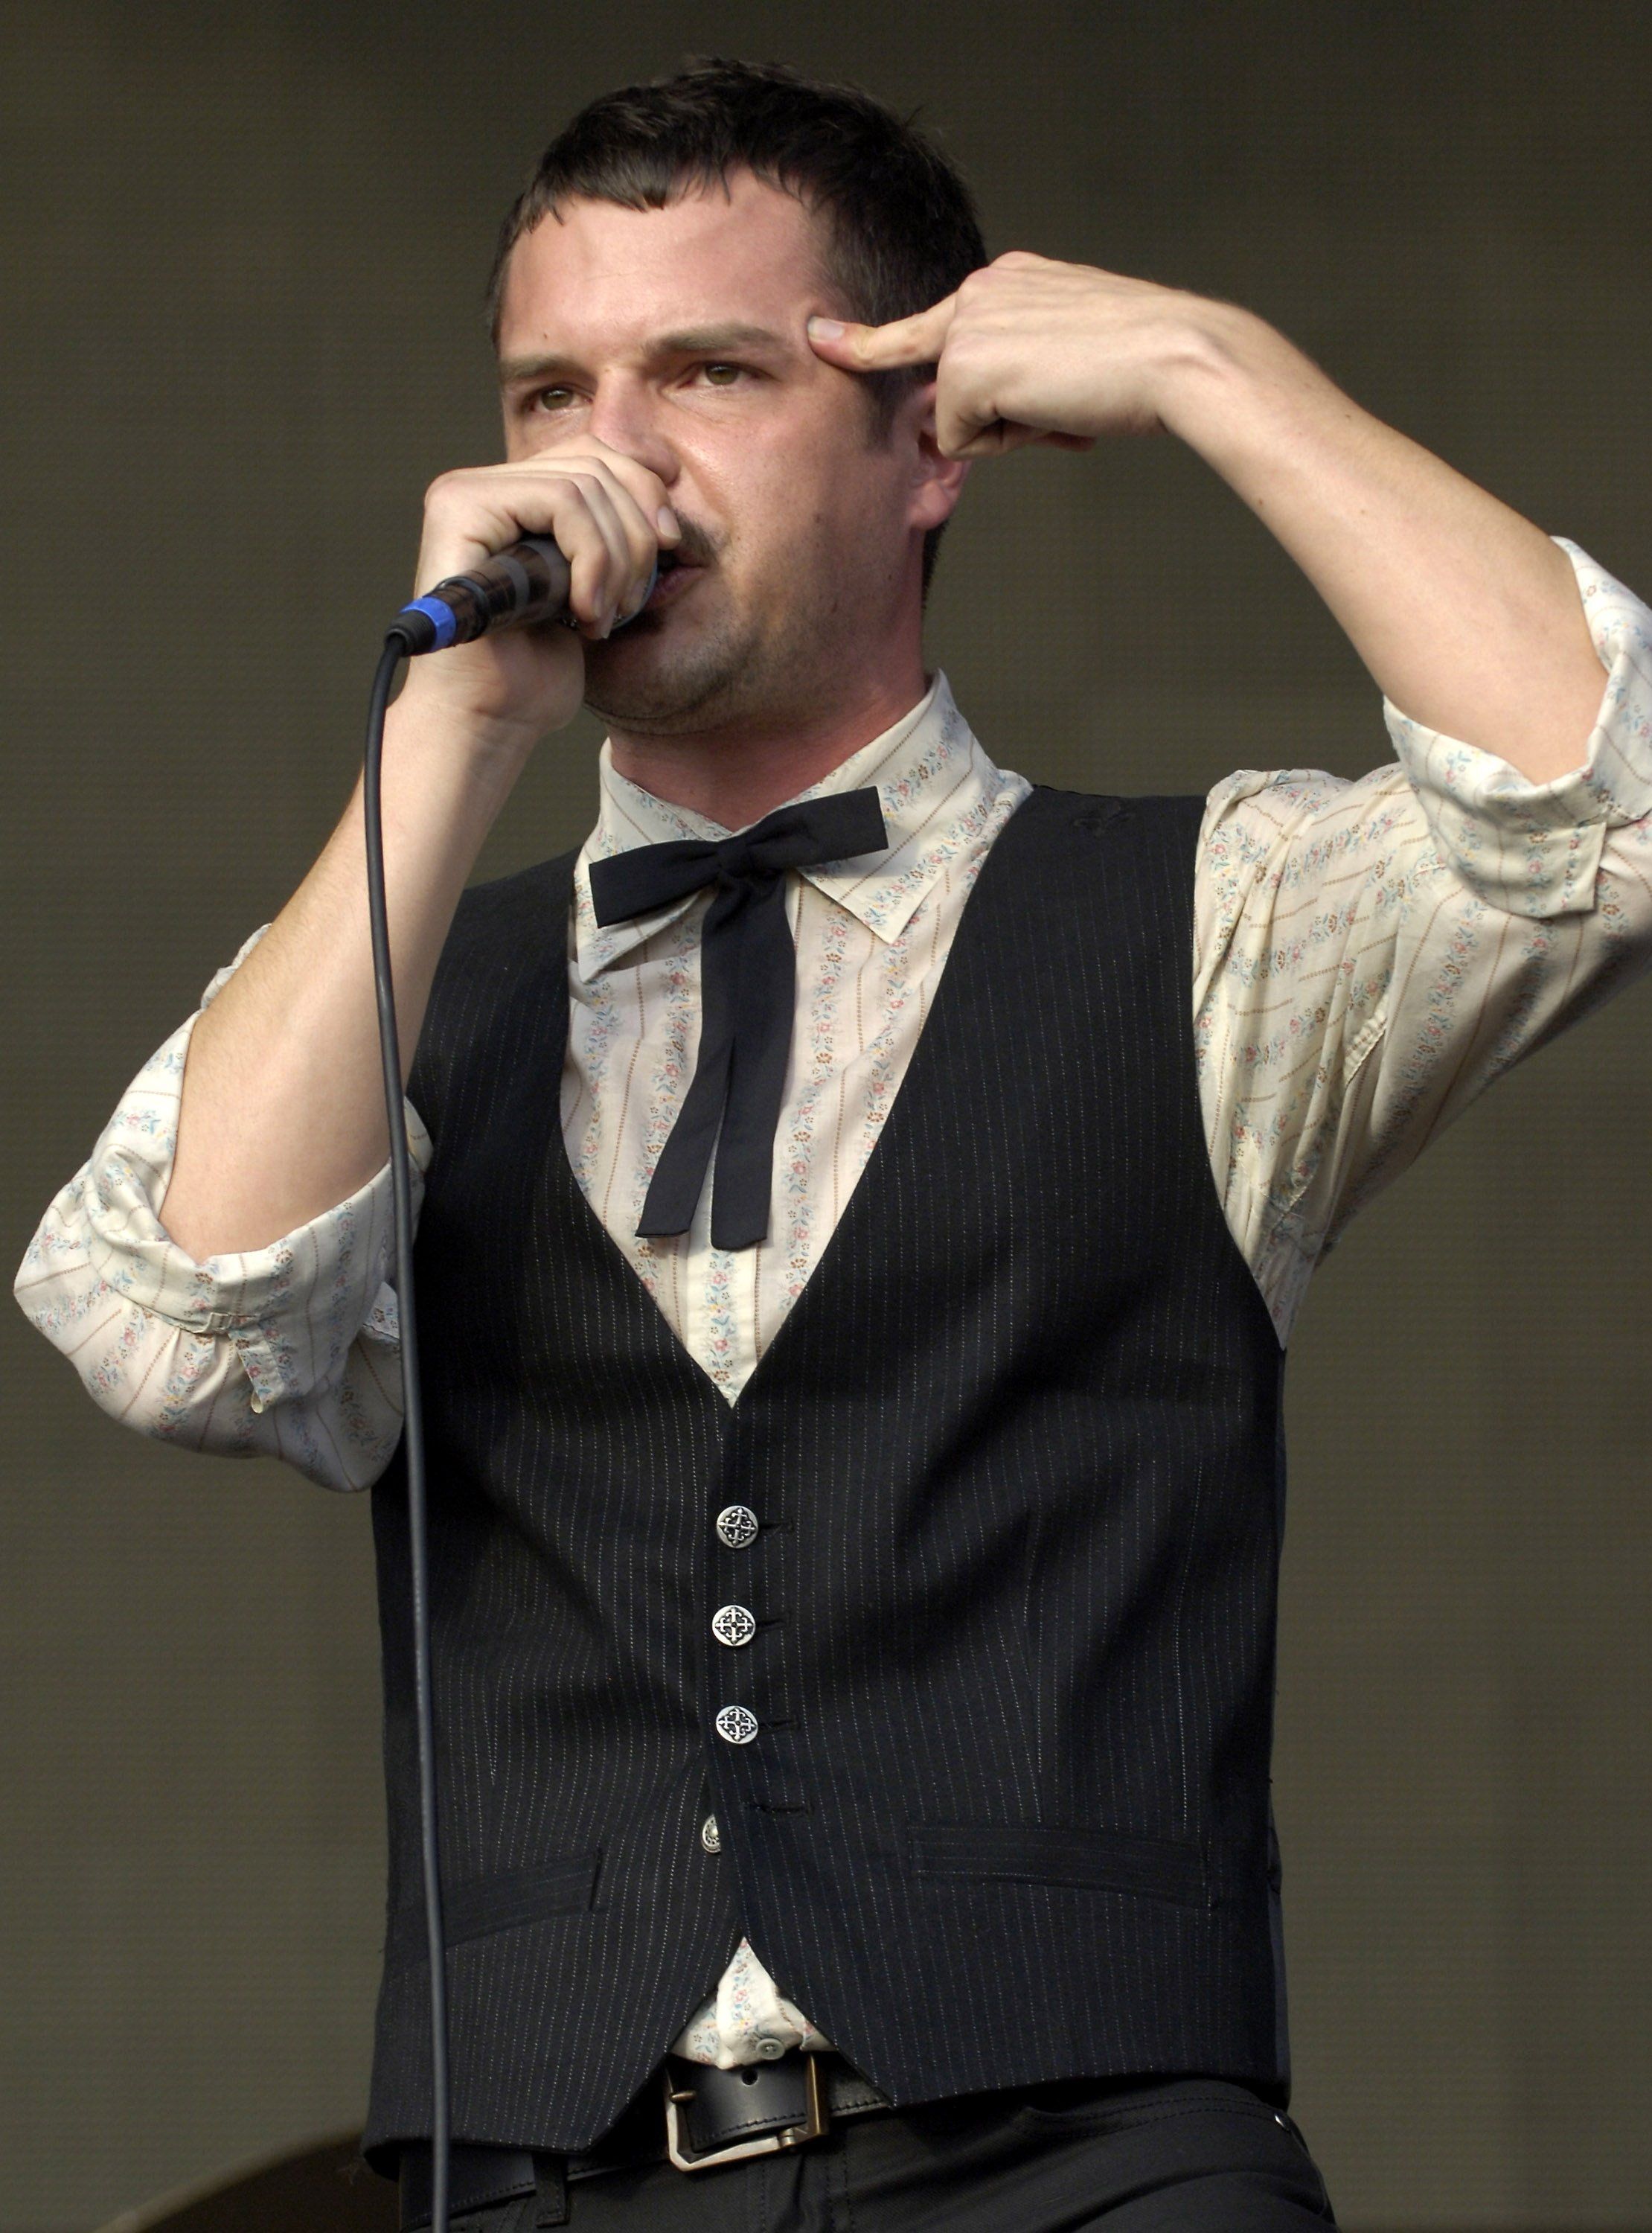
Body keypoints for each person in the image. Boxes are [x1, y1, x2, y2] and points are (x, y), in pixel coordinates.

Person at [16, 55, 1652, 2233]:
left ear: (928, 438)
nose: (610, 454)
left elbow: (1611, 823)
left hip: (1086, 2170)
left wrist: (1213, 366)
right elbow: (174, 1338)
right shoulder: (403, 975)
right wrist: (453, 730)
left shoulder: (1211, 928)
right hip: (536, 2174)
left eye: (705, 370)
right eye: (546, 392)